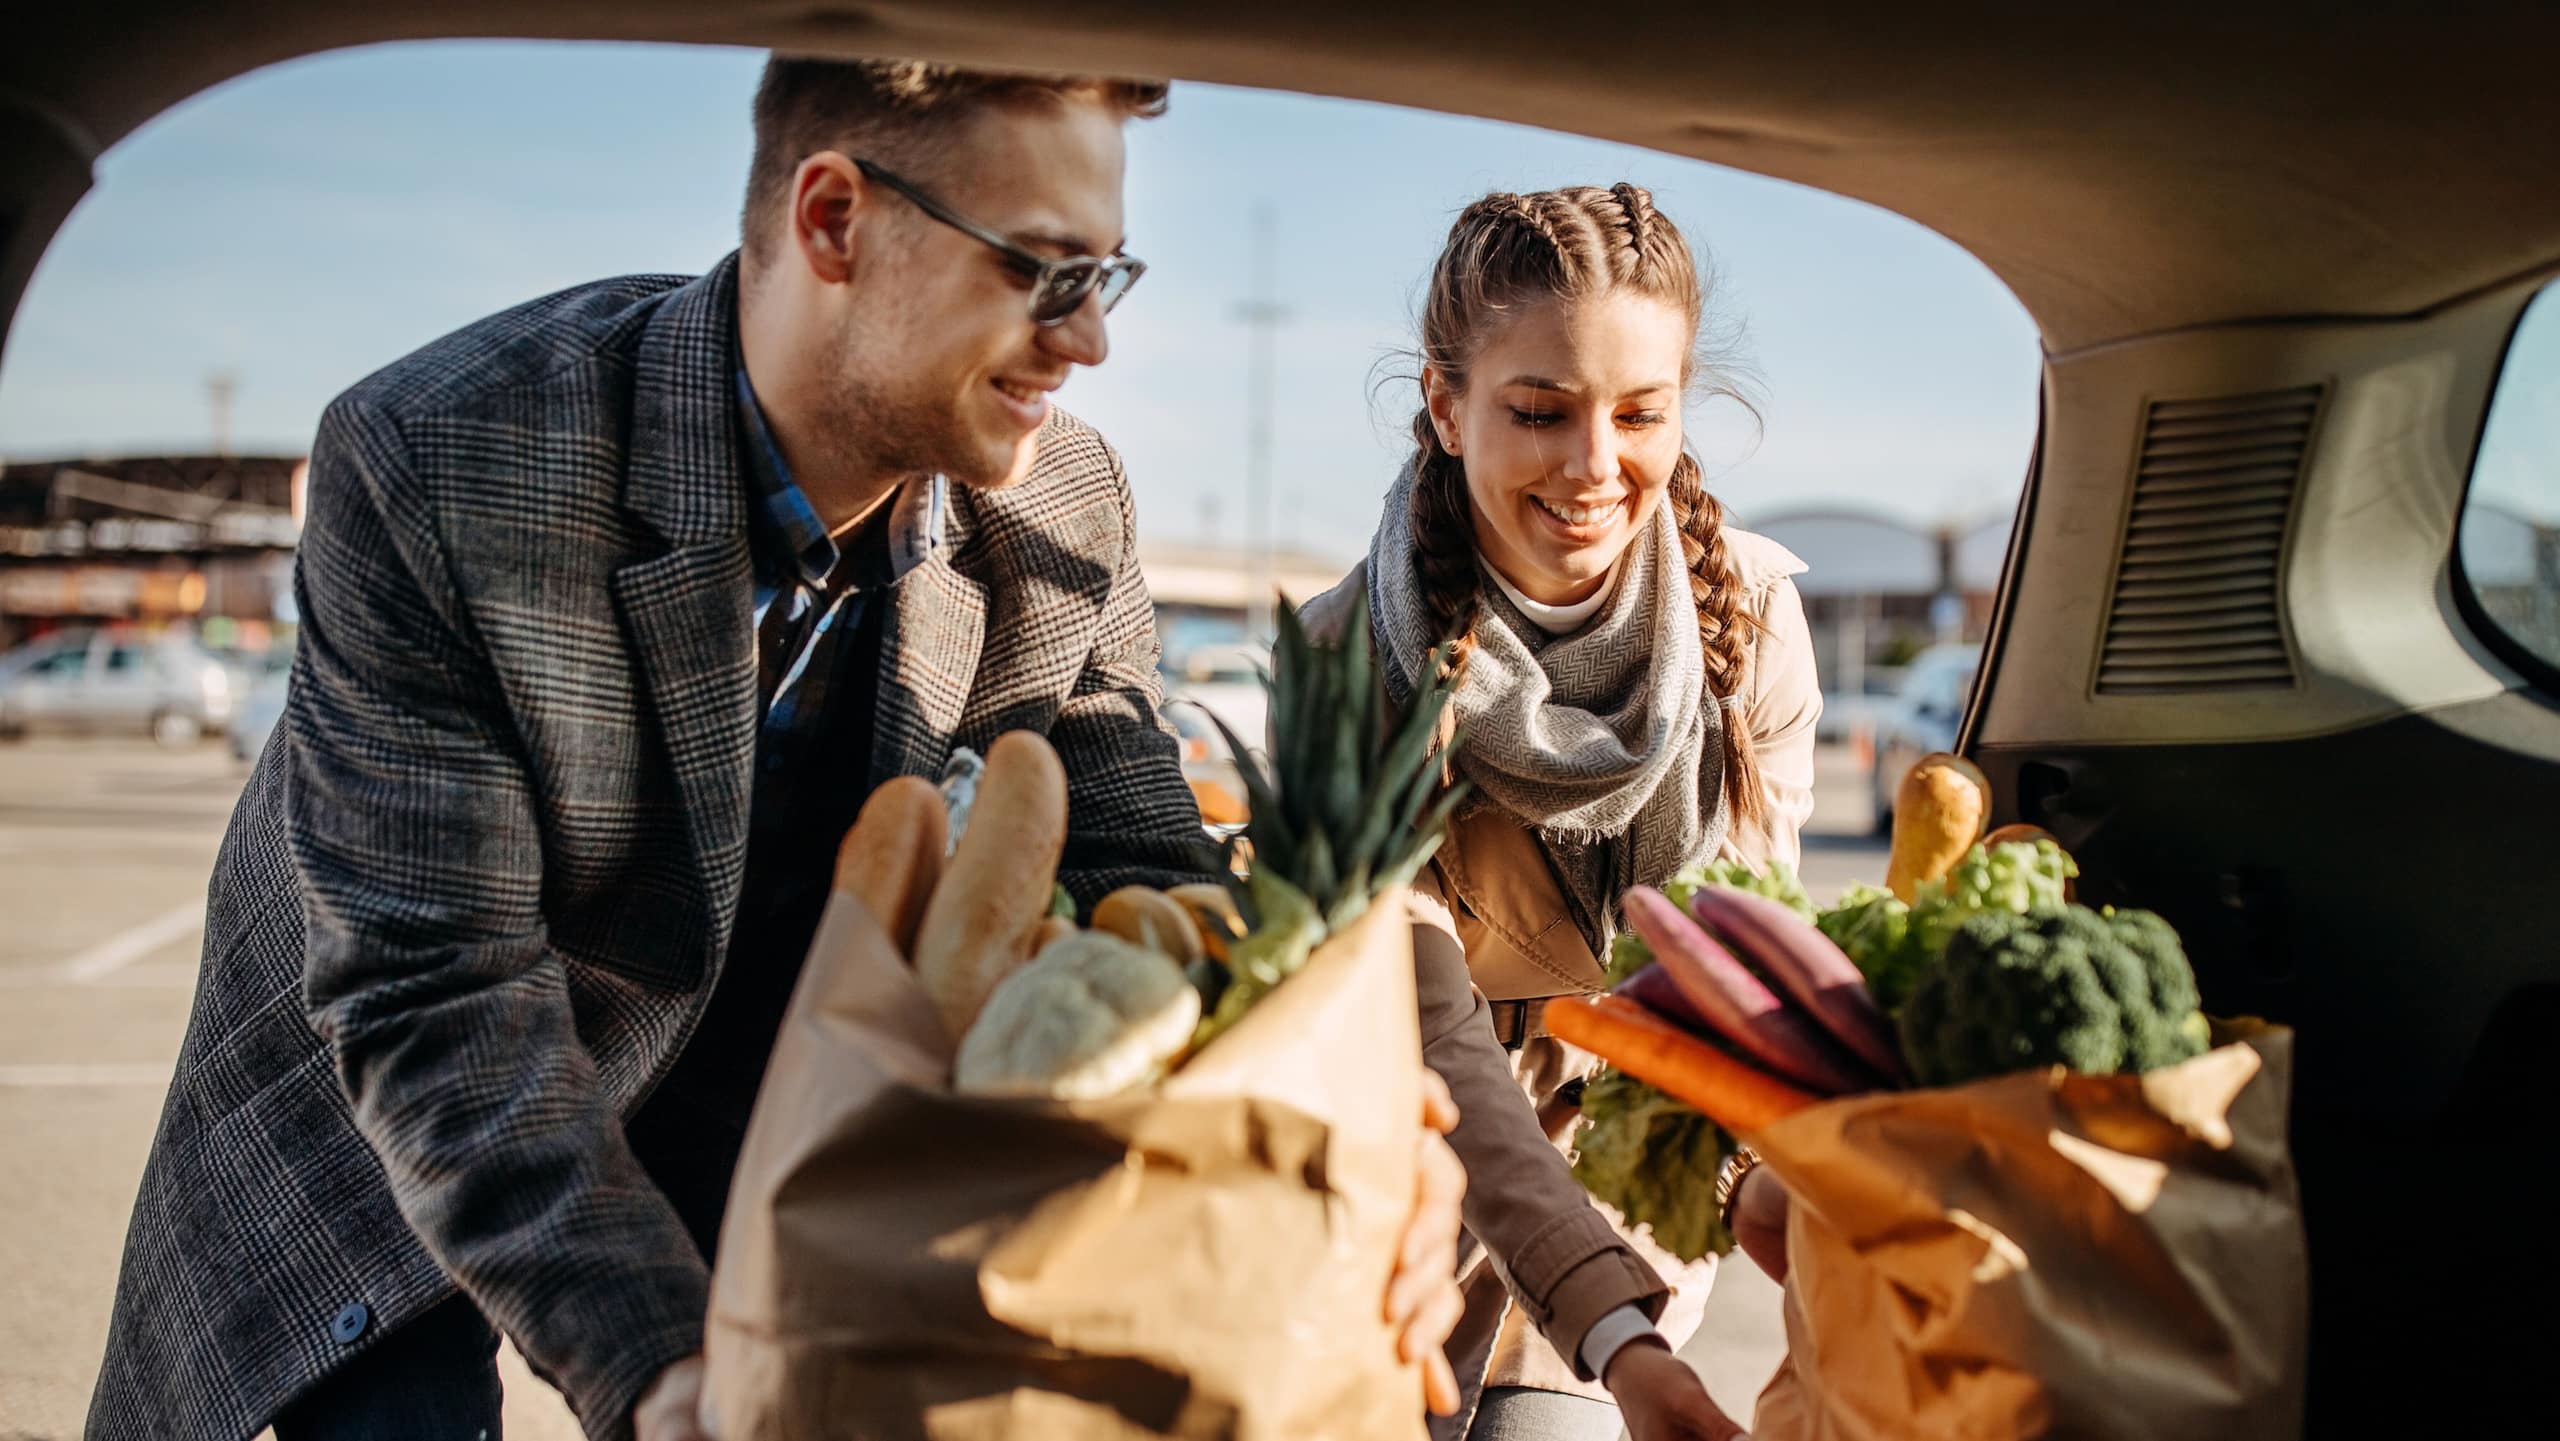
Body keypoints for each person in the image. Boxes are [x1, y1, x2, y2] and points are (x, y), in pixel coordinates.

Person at [86, 56, 1467, 1441]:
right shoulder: (446, 459)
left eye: (1108, 277)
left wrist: (1339, 1124)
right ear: (833, 222)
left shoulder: (1067, 506)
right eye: (1044, 271)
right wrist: (662, 1366)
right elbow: (436, 995)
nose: (1088, 341)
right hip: (396, 1142)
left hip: (781, 1122)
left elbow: (1150, 862)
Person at [1301, 183, 1823, 1441]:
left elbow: (1738, 965)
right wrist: (1619, 1340)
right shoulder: (1340, 669)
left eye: (1641, 414)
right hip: (1402, 1174)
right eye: (1539, 411)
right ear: (1444, 406)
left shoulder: (1751, 620)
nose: (1596, 467)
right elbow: (1430, 1040)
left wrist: (1776, 1193)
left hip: (1630, 1174)